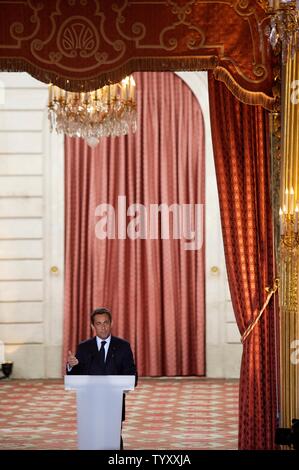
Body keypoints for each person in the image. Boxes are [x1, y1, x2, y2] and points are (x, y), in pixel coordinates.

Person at [67, 306, 137, 449]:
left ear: (111, 323)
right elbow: (76, 376)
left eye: (106, 323)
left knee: (113, 439)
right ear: (93, 326)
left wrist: (127, 385)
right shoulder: (84, 347)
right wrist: (71, 366)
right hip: (90, 401)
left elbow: (132, 374)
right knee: (92, 438)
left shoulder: (123, 346)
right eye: (98, 323)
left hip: (114, 402)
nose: (103, 327)